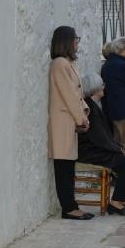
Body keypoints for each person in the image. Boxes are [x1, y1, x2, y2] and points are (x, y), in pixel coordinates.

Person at [78, 74, 125, 216]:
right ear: (95, 88)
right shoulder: (90, 108)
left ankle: (123, 200)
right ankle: (116, 202)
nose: (103, 87)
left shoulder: (94, 105)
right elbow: (99, 138)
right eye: (101, 84)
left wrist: (117, 148)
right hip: (90, 151)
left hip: (96, 148)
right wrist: (118, 150)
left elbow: (104, 136)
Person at [48, 26, 93, 220]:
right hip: (63, 121)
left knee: (68, 165)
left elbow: (77, 93)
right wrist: (81, 117)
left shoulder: (68, 63)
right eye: (75, 39)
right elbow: (68, 94)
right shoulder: (59, 64)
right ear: (65, 41)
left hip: (70, 120)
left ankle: (71, 205)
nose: (77, 42)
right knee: (63, 166)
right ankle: (68, 208)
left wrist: (84, 113)